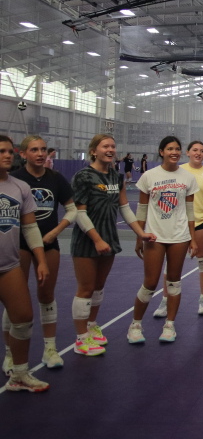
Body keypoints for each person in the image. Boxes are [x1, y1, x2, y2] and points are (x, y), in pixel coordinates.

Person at [70, 134, 154, 356]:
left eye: (113, 146)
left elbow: (124, 209)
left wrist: (141, 233)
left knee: (98, 287)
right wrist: (96, 239)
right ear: (93, 151)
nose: (110, 149)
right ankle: (80, 339)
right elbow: (79, 213)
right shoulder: (83, 176)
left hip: (109, 239)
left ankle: (91, 326)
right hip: (87, 241)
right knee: (85, 288)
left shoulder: (117, 177)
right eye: (105, 146)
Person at [5, 135, 77, 371]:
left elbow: (71, 210)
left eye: (43, 149)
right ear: (23, 154)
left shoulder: (56, 179)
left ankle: (50, 349)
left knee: (46, 294)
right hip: (19, 246)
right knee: (15, 301)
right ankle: (10, 354)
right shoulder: (14, 179)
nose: (40, 153)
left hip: (48, 245)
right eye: (34, 149)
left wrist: (55, 231)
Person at [127, 136, 199, 343]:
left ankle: (170, 325)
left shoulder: (188, 177)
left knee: (174, 282)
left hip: (179, 237)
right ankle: (135, 325)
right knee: (150, 283)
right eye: (169, 149)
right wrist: (140, 236)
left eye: (177, 149)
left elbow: (190, 212)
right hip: (154, 236)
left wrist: (193, 239)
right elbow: (141, 210)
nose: (174, 152)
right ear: (161, 152)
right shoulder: (149, 177)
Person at [0, 135, 51, 392]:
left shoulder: (19, 187)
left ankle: (19, 374)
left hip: (8, 265)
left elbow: (30, 228)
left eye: (10, 151)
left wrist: (41, 260)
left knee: (23, 317)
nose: (7, 155)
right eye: (1, 151)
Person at [153, 141, 203, 319]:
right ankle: (165, 299)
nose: (198, 153)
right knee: (171, 264)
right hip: (178, 224)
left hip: (201, 222)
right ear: (188, 152)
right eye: (195, 150)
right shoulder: (178, 171)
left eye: (202, 151)